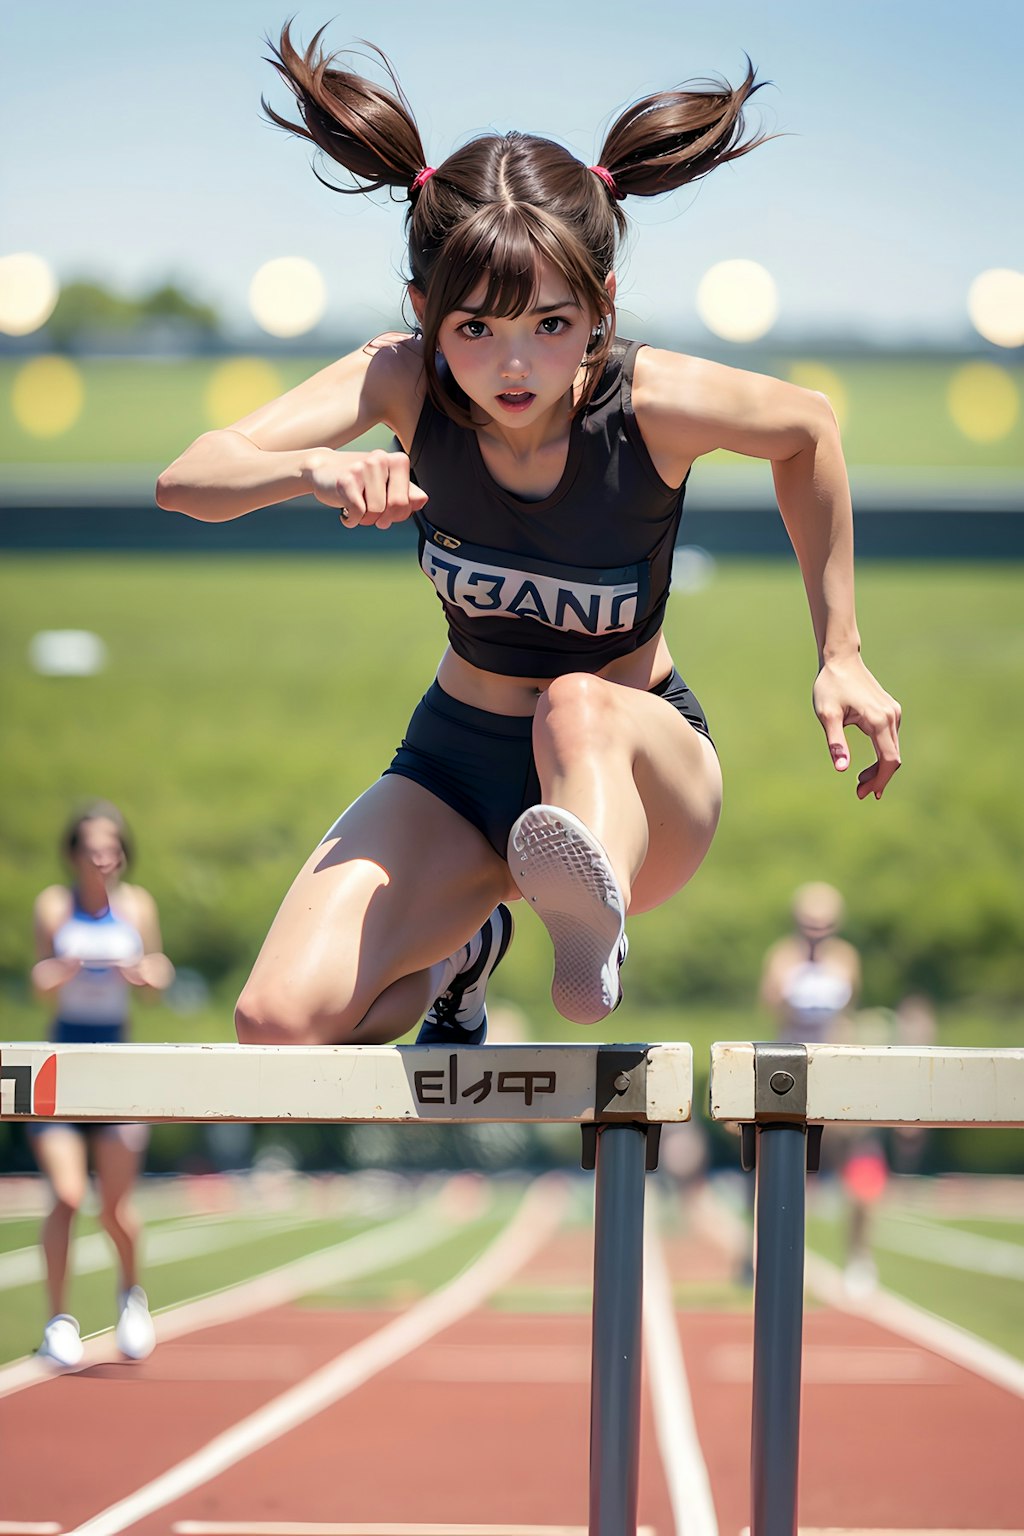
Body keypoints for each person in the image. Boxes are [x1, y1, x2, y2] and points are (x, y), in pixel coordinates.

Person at [156, 24, 901, 1056]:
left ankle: (585, 910)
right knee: (276, 1025)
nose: (514, 366)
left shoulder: (653, 403)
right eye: (475, 330)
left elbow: (806, 426)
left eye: (550, 325)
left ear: (598, 308)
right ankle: (467, 953)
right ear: (424, 314)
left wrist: (841, 651)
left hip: (635, 767)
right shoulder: (398, 379)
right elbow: (186, 478)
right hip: (458, 766)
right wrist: (310, 469)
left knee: (574, 702)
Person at [29, 801, 175, 1368]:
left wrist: (144, 972)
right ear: (74, 853)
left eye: (111, 846)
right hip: (62, 1063)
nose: (102, 857)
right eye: (91, 847)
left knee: (115, 1206)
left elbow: (159, 978)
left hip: (118, 1065)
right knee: (66, 1196)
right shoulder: (53, 904)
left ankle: (131, 1298)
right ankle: (59, 1321)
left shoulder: (137, 905)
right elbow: (39, 983)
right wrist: (63, 969)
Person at [759, 881, 861, 1044]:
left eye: (826, 925)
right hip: (793, 1047)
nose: (817, 933)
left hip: (836, 1047)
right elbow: (770, 1007)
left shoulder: (846, 956)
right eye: (811, 926)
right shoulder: (782, 955)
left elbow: (851, 1007)